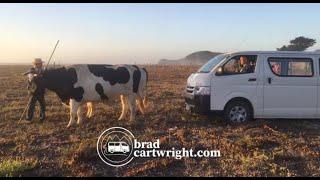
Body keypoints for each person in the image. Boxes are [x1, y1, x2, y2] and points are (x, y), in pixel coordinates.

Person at [23, 58, 46, 122]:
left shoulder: (42, 70)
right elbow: (30, 79)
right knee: (31, 105)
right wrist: (36, 75)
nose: (41, 64)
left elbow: (45, 76)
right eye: (40, 63)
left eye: (41, 63)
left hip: (41, 91)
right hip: (33, 91)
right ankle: (29, 118)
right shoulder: (31, 70)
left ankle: (42, 117)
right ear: (36, 64)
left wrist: (43, 74)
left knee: (42, 105)